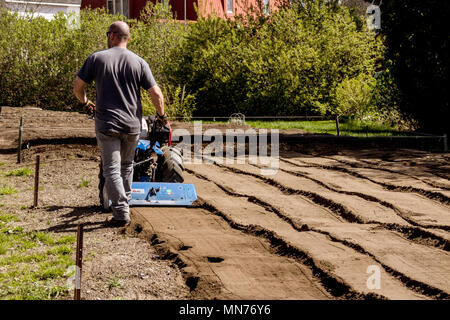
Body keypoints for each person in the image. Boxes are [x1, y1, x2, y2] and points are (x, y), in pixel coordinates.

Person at [73, 21, 167, 226]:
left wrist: (86, 103)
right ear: (128, 38)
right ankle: (125, 205)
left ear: (112, 36)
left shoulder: (96, 59)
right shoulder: (139, 62)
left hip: (107, 124)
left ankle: (121, 212)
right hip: (132, 125)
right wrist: (162, 117)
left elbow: (78, 88)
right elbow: (156, 94)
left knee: (112, 169)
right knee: (126, 166)